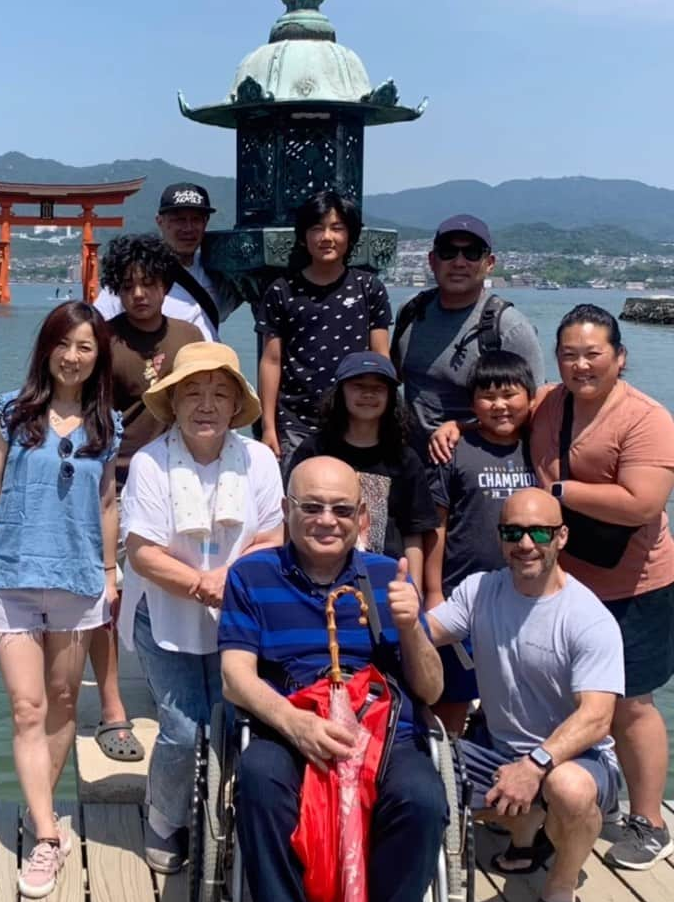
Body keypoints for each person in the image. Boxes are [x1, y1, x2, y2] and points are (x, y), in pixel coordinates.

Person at [219, 456, 446, 902]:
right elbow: (236, 678)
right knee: (260, 783)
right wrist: (296, 727)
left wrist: (412, 625)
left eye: (341, 508)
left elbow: (431, 689)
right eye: (311, 507)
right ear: (286, 511)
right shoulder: (252, 575)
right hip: (288, 720)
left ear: (362, 515)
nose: (327, 519)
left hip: (380, 725)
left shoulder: (385, 576)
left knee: (422, 797)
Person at [390, 488, 624, 902]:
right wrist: (400, 617)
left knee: (568, 789)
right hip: (496, 749)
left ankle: (560, 885)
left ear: (562, 537)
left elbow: (597, 719)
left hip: (576, 760)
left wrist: (534, 766)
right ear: (500, 538)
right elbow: (426, 633)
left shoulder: (588, 618)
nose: (526, 544)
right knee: (411, 779)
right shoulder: (480, 589)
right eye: (513, 532)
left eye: (539, 532)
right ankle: (526, 828)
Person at [0, 302, 121, 900]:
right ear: (46, 347)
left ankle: (38, 808)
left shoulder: (108, 425)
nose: (73, 356)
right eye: (64, 343)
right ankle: (48, 837)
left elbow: (107, 504)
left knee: (61, 700)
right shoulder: (12, 411)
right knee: (27, 707)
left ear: (97, 357)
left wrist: (109, 569)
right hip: (10, 576)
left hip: (78, 581)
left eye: (86, 347)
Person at [118, 341, 284, 874]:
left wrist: (224, 582)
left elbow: (273, 536)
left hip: (235, 613)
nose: (206, 404)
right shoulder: (148, 463)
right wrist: (203, 584)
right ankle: (166, 818)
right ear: (174, 403)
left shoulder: (258, 459)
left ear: (237, 405)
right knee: (183, 726)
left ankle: (222, 806)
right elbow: (142, 553)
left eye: (219, 393)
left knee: (233, 717)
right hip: (163, 613)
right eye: (192, 392)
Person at [530, 304, 674, 868]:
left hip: (635, 583)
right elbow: (501, 413)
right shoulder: (548, 402)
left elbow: (643, 502)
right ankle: (568, 803)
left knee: (630, 702)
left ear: (620, 357)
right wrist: (453, 428)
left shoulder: (646, 418)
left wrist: (557, 493)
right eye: (569, 354)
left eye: (594, 353)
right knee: (563, 695)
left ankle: (649, 820)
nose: (581, 365)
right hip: (566, 581)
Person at [87, 233, 204, 763]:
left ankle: (172, 687)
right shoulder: (102, 339)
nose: (139, 294)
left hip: (177, 478)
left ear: (165, 284)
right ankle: (113, 707)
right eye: (128, 284)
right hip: (114, 475)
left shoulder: (188, 336)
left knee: (172, 580)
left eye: (149, 283)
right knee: (107, 594)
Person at [426, 350, 538, 733]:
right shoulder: (455, 449)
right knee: (453, 695)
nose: (500, 405)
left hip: (525, 597)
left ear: (530, 397)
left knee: (514, 692)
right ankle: (449, 765)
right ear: (473, 402)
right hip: (462, 593)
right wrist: (432, 591)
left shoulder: (540, 446)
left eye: (510, 395)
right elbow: (436, 525)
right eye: (488, 397)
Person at [257, 189, 392, 476]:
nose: (326, 237)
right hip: (295, 420)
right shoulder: (282, 291)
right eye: (316, 228)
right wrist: (268, 426)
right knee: (299, 502)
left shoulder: (368, 289)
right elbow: (271, 360)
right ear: (303, 236)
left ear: (351, 235)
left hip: (356, 419)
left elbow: (381, 357)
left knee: (360, 504)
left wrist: (386, 416)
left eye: (336, 228)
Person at [391, 213, 544, 459]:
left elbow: (534, 409)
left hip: (476, 466)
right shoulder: (411, 311)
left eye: (472, 253)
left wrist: (462, 427)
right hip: (412, 463)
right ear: (432, 260)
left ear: (490, 262)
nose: (459, 262)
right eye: (448, 252)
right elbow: (393, 378)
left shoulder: (509, 328)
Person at [286, 351, 439, 591]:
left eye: (378, 388)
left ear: (390, 396)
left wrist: (414, 589)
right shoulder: (314, 450)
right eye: (358, 386)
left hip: (385, 579)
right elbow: (292, 518)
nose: (368, 394)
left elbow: (414, 531)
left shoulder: (404, 459)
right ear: (341, 392)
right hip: (317, 578)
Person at [94, 182, 240, 337]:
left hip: (211, 360)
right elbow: (96, 327)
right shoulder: (134, 276)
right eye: (179, 220)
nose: (188, 228)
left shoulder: (218, 271)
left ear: (205, 223)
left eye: (196, 219)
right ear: (160, 222)